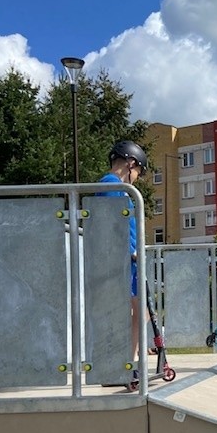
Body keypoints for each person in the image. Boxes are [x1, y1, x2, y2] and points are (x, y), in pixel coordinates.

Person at [97, 141, 148, 375]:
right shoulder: (111, 185)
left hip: (130, 258)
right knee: (135, 312)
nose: (137, 177)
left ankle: (129, 361)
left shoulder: (115, 186)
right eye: (138, 171)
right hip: (124, 260)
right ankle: (125, 362)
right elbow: (111, 224)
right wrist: (129, 252)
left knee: (142, 313)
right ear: (131, 163)